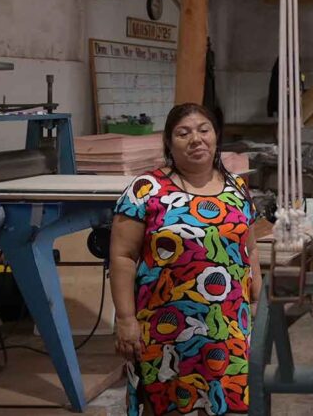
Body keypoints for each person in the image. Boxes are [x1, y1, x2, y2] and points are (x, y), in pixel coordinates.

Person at [110, 103, 262, 416]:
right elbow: (122, 257)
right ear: (169, 142)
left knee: (227, 404)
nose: (196, 139)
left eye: (204, 130)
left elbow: (250, 248)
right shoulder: (146, 189)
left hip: (228, 325)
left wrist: (257, 299)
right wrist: (125, 319)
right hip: (165, 330)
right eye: (183, 133)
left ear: (216, 136)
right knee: (166, 404)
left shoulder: (237, 188)